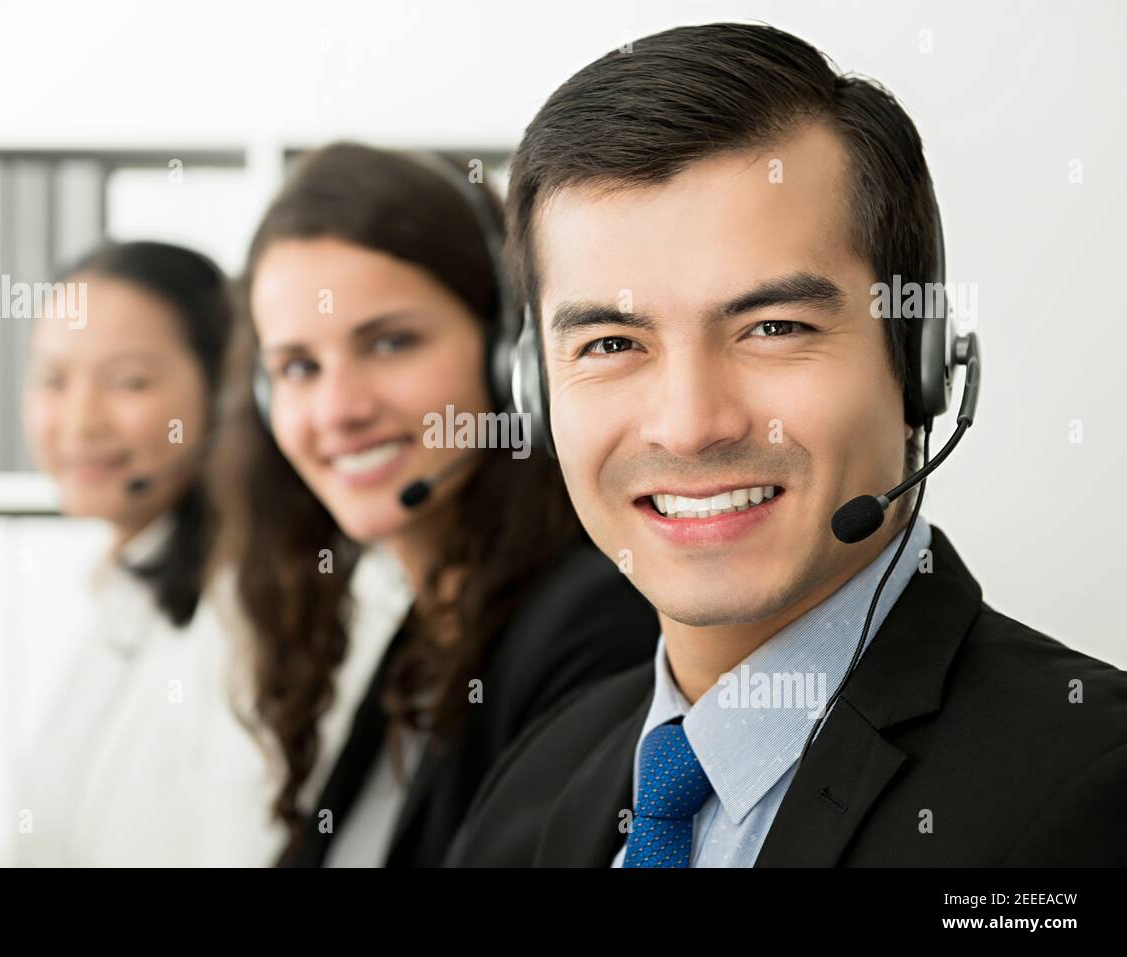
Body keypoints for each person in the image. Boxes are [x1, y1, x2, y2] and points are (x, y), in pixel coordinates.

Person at [448, 23, 1127, 867]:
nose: (691, 424)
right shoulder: (536, 783)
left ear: (921, 366)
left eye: (773, 327)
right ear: (536, 393)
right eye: (613, 343)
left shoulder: (1094, 794)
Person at [213, 142, 659, 867]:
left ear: (512, 357)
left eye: (390, 342)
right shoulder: (424, 636)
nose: (338, 409)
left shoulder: (595, 623)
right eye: (298, 367)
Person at [17, 240, 281, 865]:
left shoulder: (244, 616)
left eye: (128, 381)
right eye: (53, 379)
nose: (80, 422)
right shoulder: (124, 593)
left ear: (226, 389)